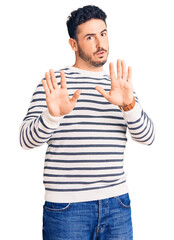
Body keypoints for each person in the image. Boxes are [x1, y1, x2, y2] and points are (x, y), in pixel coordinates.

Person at [19, 5, 155, 240]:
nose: (100, 43)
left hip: (117, 206)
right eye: (90, 37)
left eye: (103, 33)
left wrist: (129, 105)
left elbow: (148, 137)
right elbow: (25, 140)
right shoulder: (55, 84)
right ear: (73, 44)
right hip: (67, 209)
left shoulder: (118, 84)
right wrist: (53, 115)